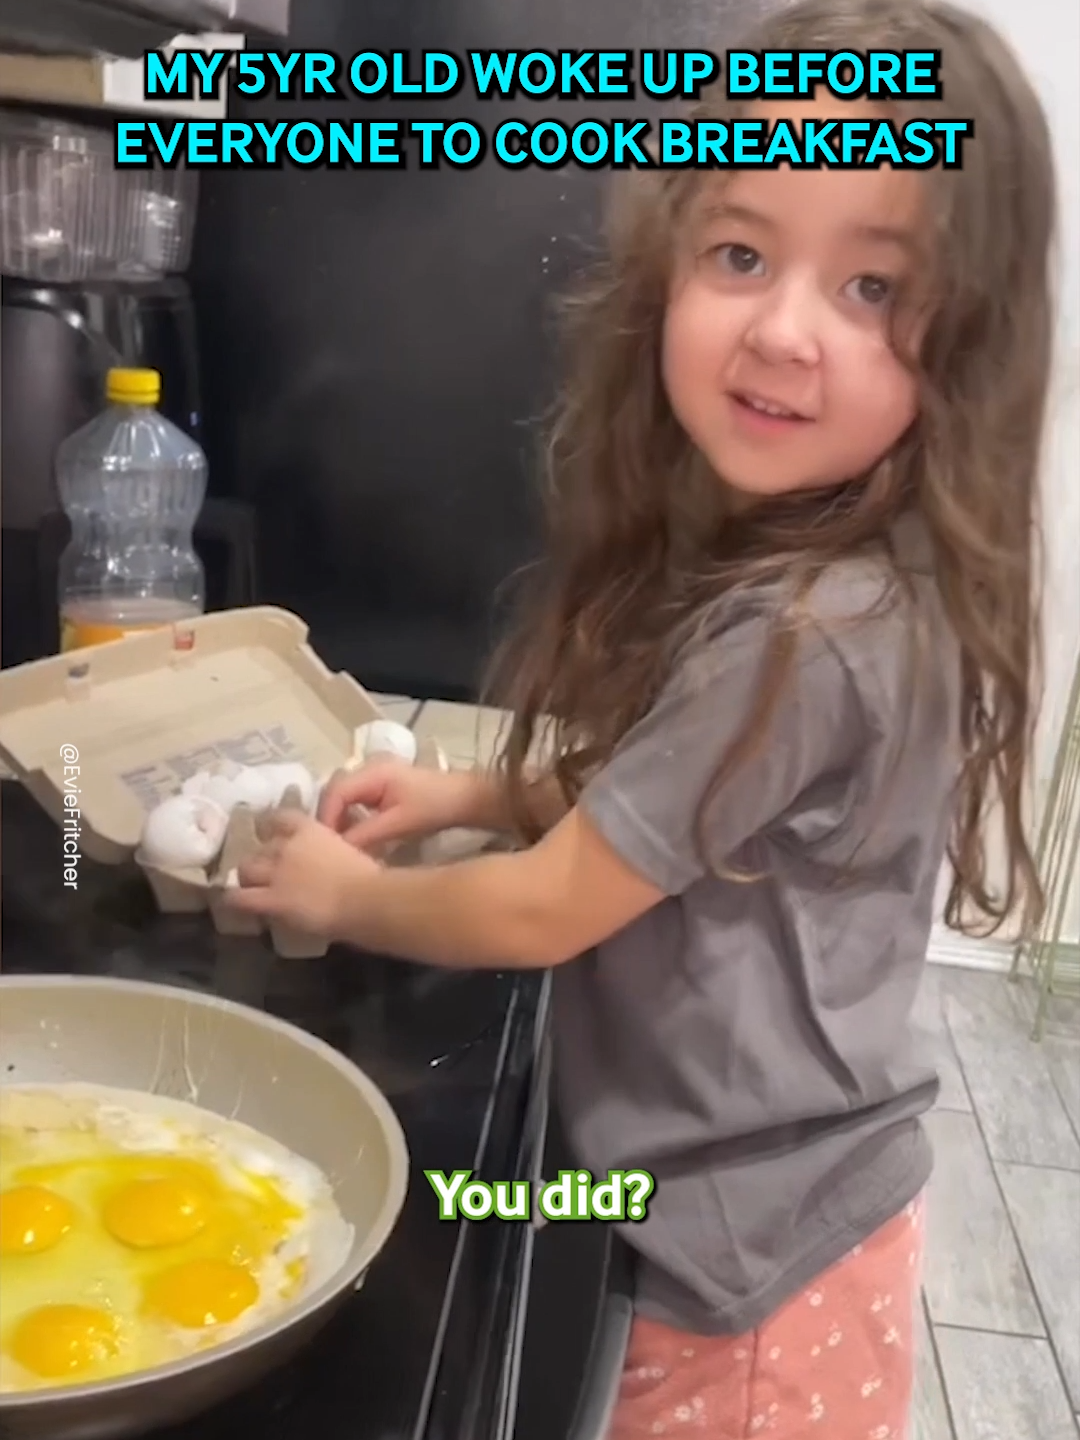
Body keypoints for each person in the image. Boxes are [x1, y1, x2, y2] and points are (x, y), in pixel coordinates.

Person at [229, 0, 1056, 1433]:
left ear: (967, 335)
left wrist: (344, 894)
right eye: (741, 254)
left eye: (873, 289)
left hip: (745, 1272)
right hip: (729, 1197)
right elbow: (684, 816)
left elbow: (548, 914)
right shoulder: (817, 570)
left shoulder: (808, 632)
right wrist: (473, 794)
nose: (783, 332)